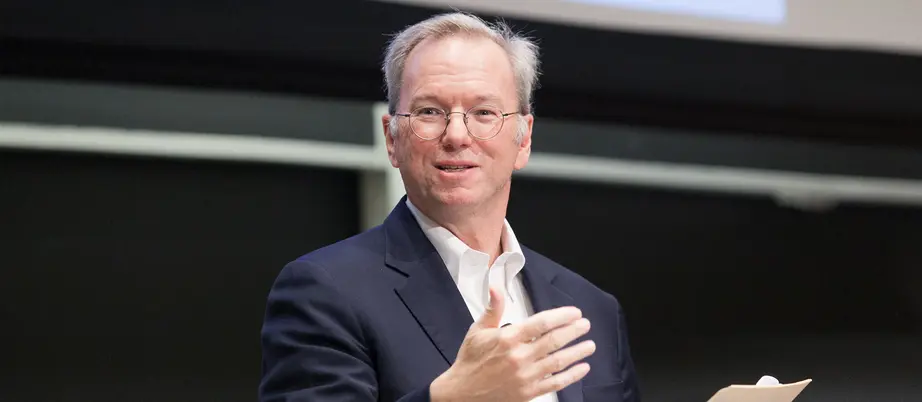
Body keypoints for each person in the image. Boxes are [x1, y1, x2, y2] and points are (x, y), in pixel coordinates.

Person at [259, 12, 640, 402]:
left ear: (523, 140)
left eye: (484, 113)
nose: (457, 134)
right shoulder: (324, 291)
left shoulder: (592, 308)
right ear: (392, 139)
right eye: (429, 112)